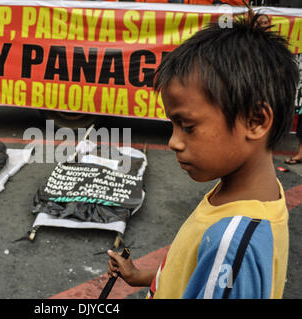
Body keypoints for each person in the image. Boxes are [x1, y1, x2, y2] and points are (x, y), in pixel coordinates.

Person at [106, 18, 298, 299]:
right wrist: (138, 277)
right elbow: (192, 272)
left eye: (188, 126)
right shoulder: (243, 193)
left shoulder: (232, 244)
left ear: (255, 121)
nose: (173, 142)